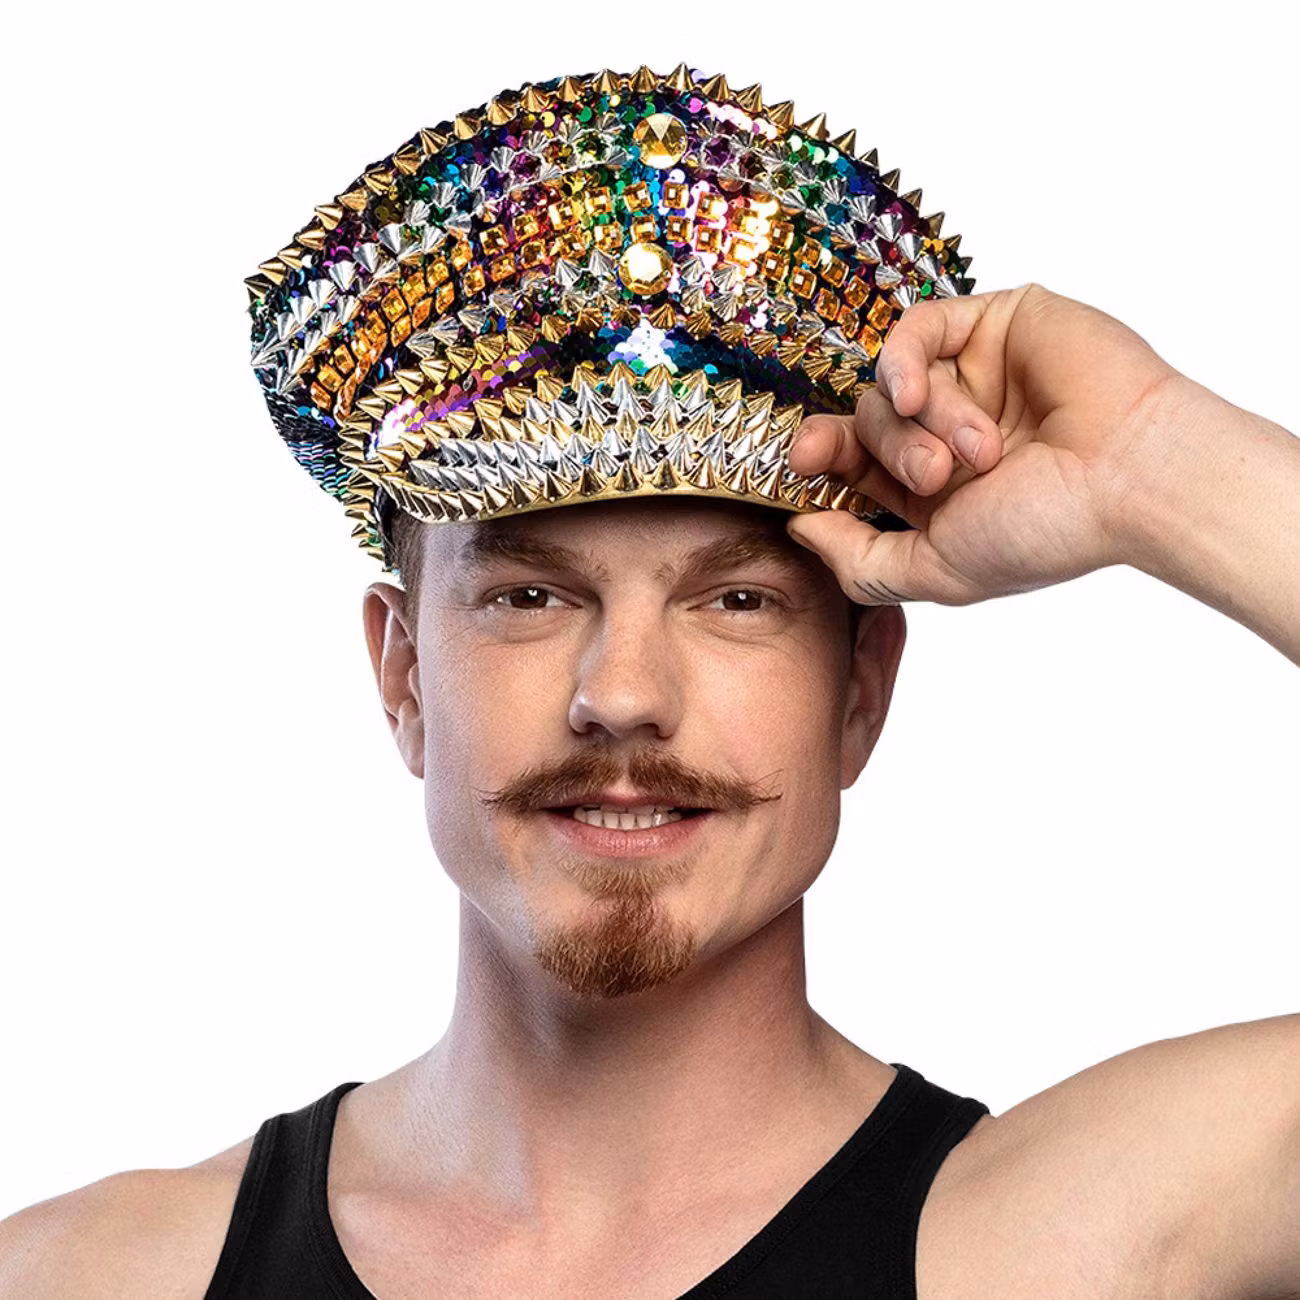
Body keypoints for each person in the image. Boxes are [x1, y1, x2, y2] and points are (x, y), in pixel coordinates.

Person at [3, 67, 1297, 1299]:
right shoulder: (94, 1276)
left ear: (862, 690)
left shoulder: (1056, 1246)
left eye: (736, 601)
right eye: (530, 596)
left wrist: (1148, 465)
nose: (621, 694)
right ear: (402, 675)